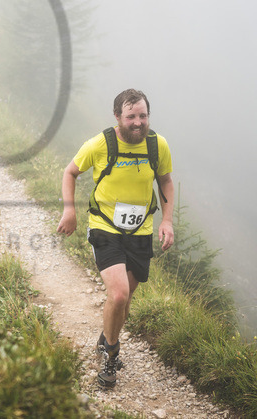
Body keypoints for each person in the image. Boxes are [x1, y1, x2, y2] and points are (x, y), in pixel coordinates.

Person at [57, 88, 175, 389]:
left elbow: (165, 181)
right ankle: (111, 353)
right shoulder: (100, 144)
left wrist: (167, 220)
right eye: (131, 116)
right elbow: (70, 172)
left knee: (125, 297)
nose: (138, 122)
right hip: (105, 227)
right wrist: (69, 211)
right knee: (120, 294)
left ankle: (106, 336)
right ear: (117, 117)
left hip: (140, 231)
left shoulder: (157, 146)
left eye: (143, 116)